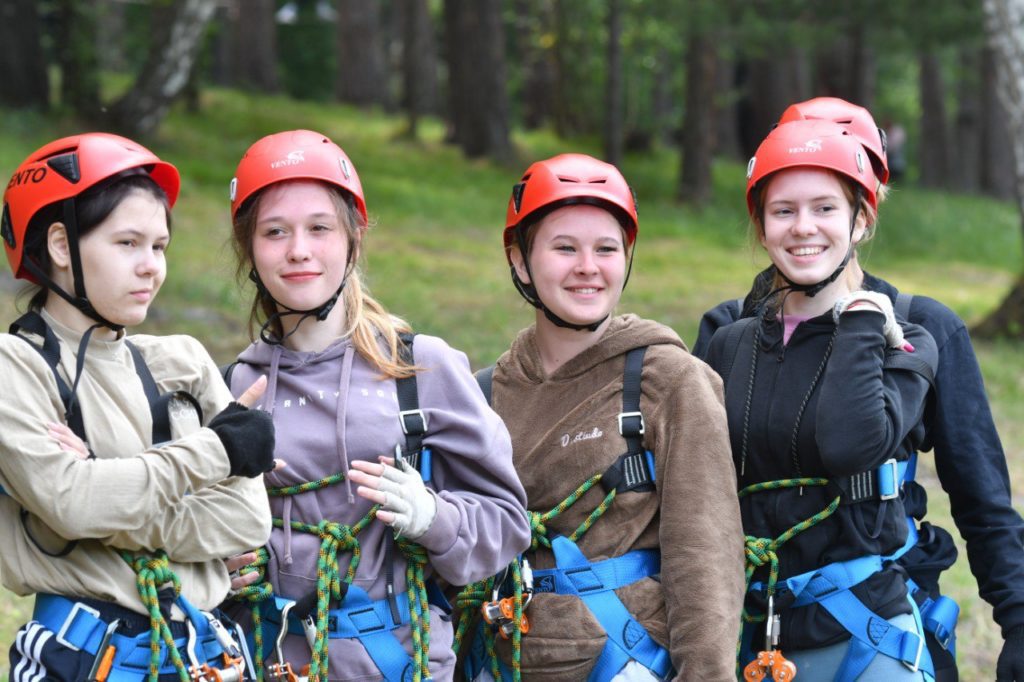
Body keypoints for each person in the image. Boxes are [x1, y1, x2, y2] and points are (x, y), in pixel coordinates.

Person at [694, 97, 1024, 682]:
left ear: (863, 208)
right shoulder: (728, 334)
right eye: (785, 204)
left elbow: (982, 497)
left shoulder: (920, 328)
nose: (804, 223)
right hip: (755, 620)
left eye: (826, 201)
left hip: (874, 604)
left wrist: (1019, 621)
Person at [221, 129, 531, 682]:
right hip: (268, 663)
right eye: (275, 232)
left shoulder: (419, 369)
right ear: (250, 247)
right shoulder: (234, 386)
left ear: (353, 239)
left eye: (320, 228)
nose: (298, 250)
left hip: (400, 664)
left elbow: (506, 524)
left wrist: (436, 518)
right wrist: (216, 566)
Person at [457, 153, 744, 681]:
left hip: (622, 661)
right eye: (564, 247)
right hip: (504, 661)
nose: (588, 266)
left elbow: (706, 555)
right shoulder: (482, 394)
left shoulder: (668, 380)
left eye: (606, 249)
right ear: (520, 261)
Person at [0, 133, 276, 681]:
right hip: (82, 655)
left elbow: (247, 520)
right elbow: (74, 503)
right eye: (128, 243)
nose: (151, 266)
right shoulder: (15, 368)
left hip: (205, 653)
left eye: (160, 246)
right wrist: (214, 451)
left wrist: (102, 492)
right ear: (60, 245)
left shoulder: (183, 362)